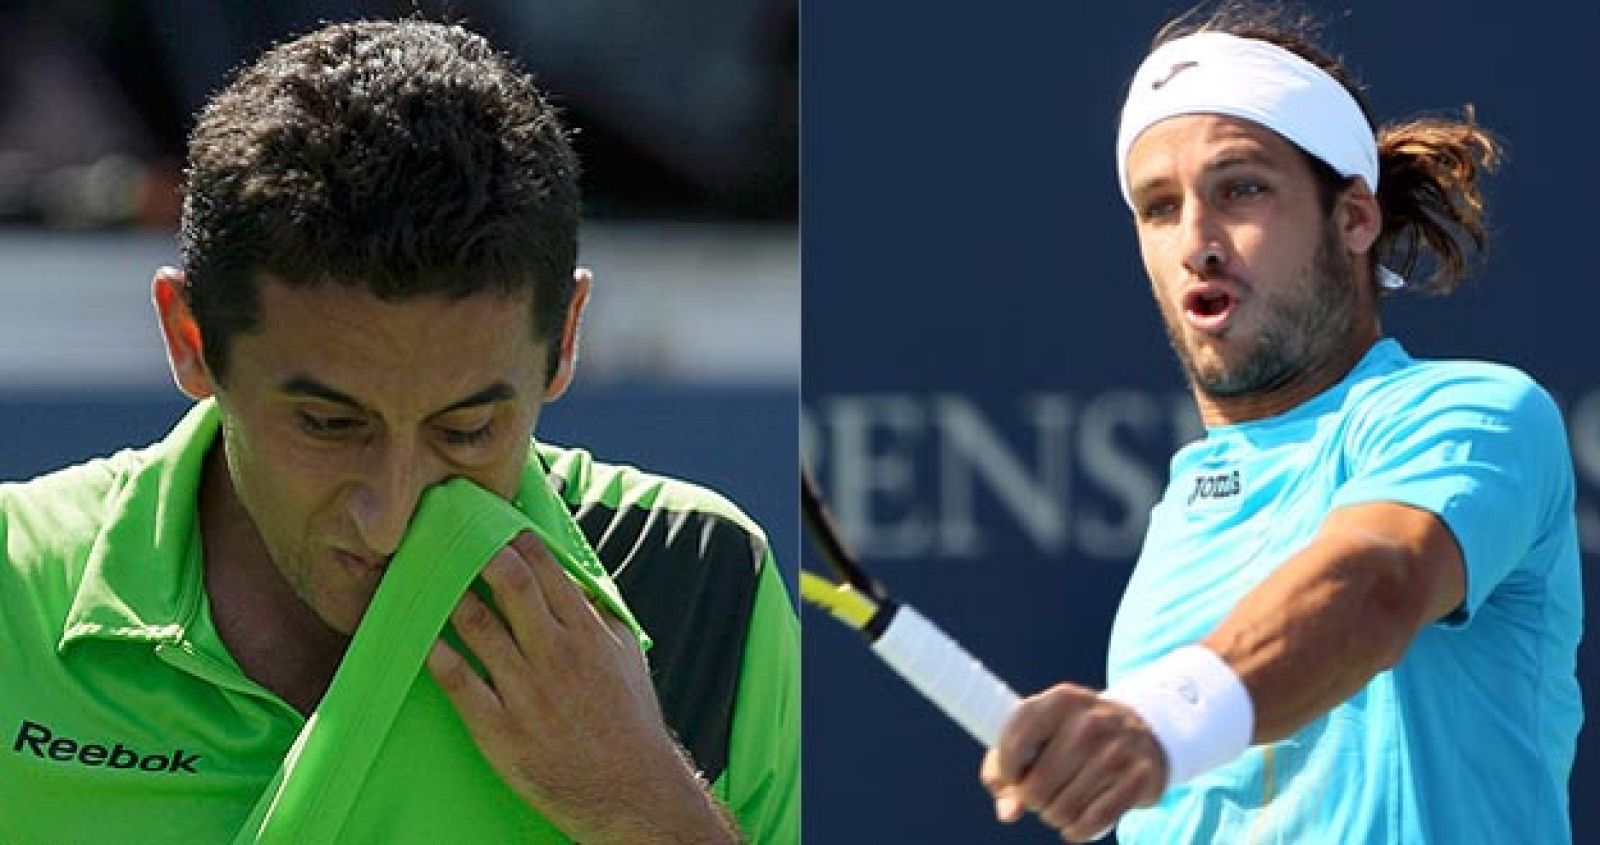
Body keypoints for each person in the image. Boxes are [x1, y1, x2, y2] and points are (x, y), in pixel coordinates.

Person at [0, 19, 797, 843]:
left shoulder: (703, 580)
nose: (390, 515)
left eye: (467, 429)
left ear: (564, 340)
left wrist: (643, 805)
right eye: (328, 424)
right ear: (190, 339)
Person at [980, 4, 1582, 843]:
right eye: (1159, 207)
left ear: (1354, 218)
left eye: (1242, 188)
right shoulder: (1179, 522)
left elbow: (1375, 585)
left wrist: (1163, 719)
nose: (1197, 239)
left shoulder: (1475, 413)